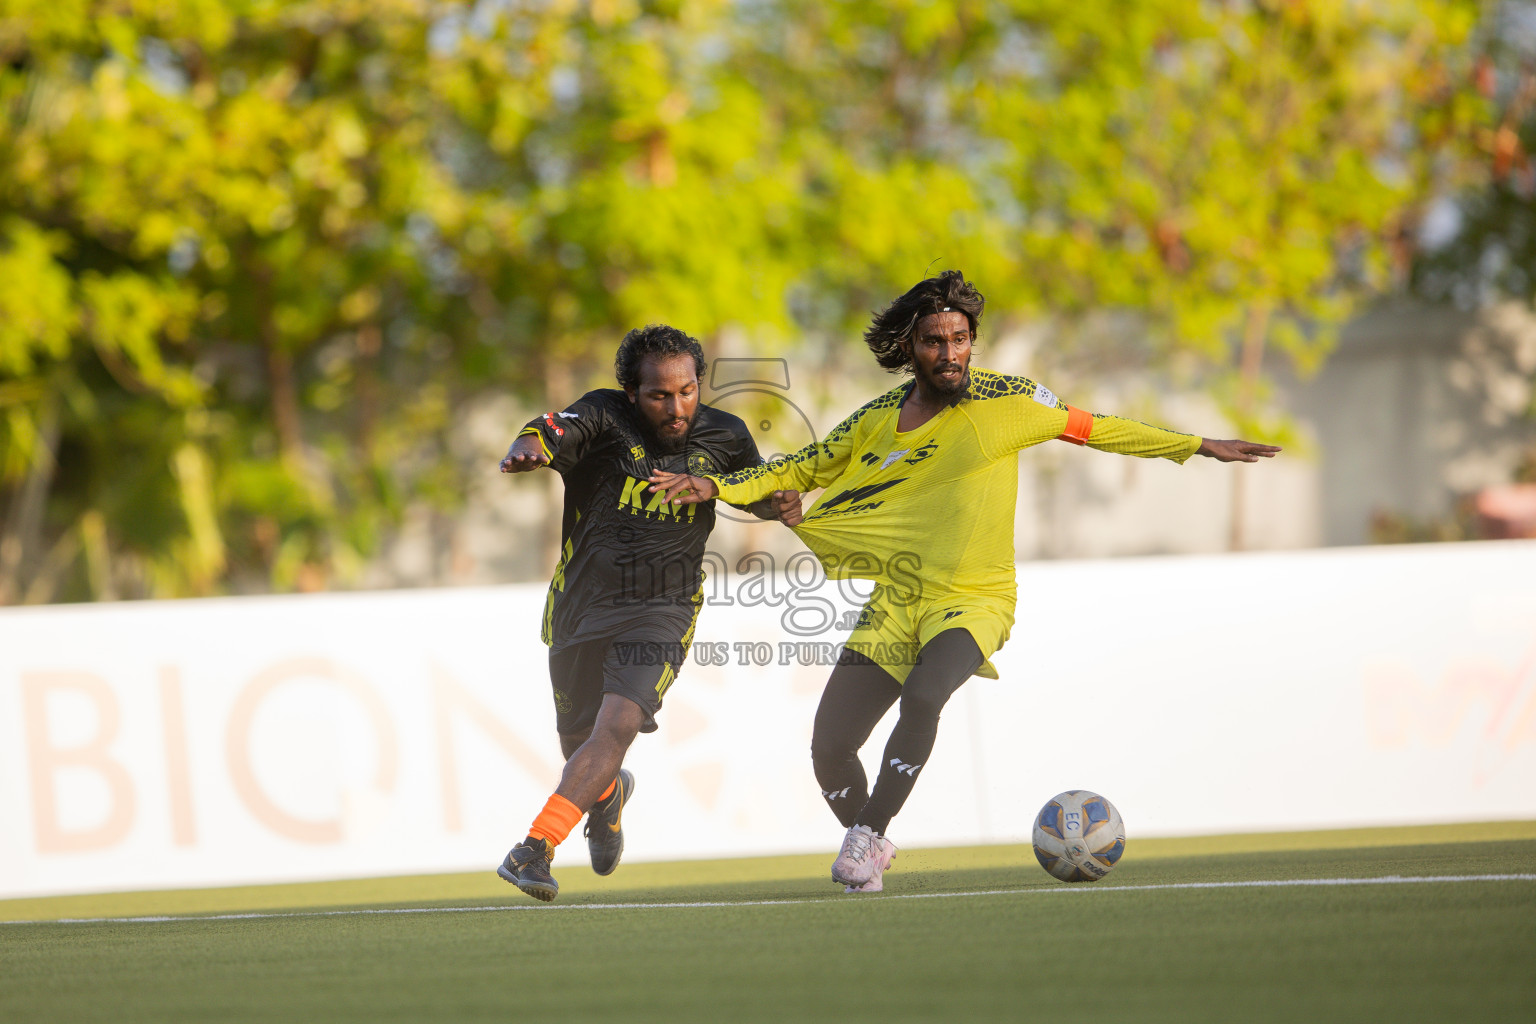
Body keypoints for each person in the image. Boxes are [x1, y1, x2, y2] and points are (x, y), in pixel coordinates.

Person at [649, 271, 1280, 893]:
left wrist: (1197, 444)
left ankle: (865, 839)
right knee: (830, 746)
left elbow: (1098, 428)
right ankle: (871, 846)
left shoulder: (1009, 403)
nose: (949, 354)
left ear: (972, 339)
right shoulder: (875, 419)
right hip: (896, 603)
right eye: (934, 341)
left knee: (926, 694)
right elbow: (804, 464)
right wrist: (720, 484)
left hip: (974, 600)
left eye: (960, 339)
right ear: (911, 346)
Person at [496, 324, 799, 902]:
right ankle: (606, 797)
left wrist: (775, 502)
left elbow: (753, 486)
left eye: (687, 391)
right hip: (580, 606)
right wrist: (528, 447)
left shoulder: (726, 434)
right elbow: (550, 428)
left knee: (617, 727)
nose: (677, 406)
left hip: (664, 607)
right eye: (660, 394)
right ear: (631, 392)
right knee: (578, 743)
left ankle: (534, 849)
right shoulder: (605, 418)